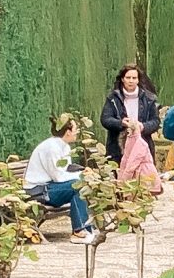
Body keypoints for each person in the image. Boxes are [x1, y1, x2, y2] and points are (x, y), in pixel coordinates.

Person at [22, 113, 96, 242]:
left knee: (83, 184)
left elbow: (66, 169)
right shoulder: (51, 148)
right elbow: (59, 177)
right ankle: (79, 231)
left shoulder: (64, 146)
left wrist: (83, 171)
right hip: (38, 191)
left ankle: (85, 228)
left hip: (51, 186)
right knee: (78, 186)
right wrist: (81, 175)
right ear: (67, 132)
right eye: (75, 129)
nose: (77, 132)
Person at [101, 64, 160, 187]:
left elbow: (155, 122)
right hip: (117, 147)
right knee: (119, 183)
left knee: (142, 184)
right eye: (128, 78)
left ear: (138, 80)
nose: (131, 81)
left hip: (142, 147)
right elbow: (105, 119)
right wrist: (120, 123)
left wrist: (142, 126)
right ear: (122, 79)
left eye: (134, 78)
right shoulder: (113, 98)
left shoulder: (149, 99)